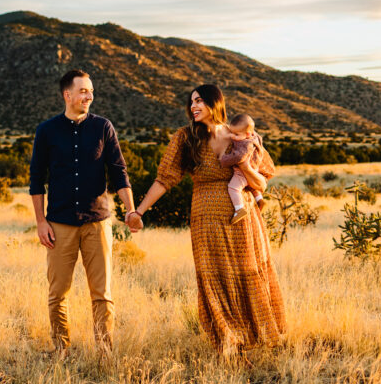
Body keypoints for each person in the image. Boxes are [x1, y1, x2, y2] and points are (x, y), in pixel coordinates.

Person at [126, 84, 285, 360]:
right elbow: (165, 179)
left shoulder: (242, 135)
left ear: (215, 103)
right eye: (191, 103)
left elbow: (262, 181)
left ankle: (256, 338)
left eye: (199, 101)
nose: (193, 107)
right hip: (205, 218)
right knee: (213, 276)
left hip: (243, 216)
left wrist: (245, 167)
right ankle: (227, 341)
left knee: (247, 272)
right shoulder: (185, 137)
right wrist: (138, 212)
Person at [29, 69, 137, 356]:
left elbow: (119, 172)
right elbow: (36, 180)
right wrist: (41, 222)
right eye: (83, 91)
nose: (89, 95)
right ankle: (61, 350)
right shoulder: (47, 131)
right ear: (67, 95)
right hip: (59, 224)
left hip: (97, 223)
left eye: (90, 90)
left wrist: (131, 209)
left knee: (102, 294)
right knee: (57, 294)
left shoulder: (103, 127)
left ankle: (105, 352)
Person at [221, 113, 266, 224]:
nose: (232, 136)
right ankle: (259, 199)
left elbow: (238, 157)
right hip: (254, 169)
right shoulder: (255, 138)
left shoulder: (244, 144)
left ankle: (239, 209)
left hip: (242, 172)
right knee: (251, 185)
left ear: (247, 134)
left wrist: (224, 159)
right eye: (231, 133)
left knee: (233, 187)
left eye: (236, 134)